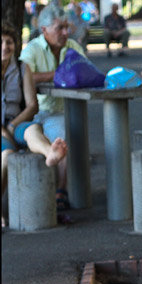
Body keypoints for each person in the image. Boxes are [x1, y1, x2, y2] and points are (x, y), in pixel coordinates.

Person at [2, 22, 68, 228]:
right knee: (6, 155)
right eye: (1, 42)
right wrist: (6, 131)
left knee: (33, 129)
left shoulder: (23, 68)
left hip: (17, 121)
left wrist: (13, 126)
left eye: (9, 42)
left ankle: (51, 154)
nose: (5, 47)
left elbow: (32, 105)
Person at [19, 4, 84, 211]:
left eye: (66, 27)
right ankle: (60, 192)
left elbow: (85, 70)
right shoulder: (33, 49)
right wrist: (57, 74)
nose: (65, 33)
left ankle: (61, 190)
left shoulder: (72, 46)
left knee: (67, 131)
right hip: (40, 112)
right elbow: (23, 77)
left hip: (67, 109)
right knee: (62, 136)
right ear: (44, 30)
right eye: (59, 28)